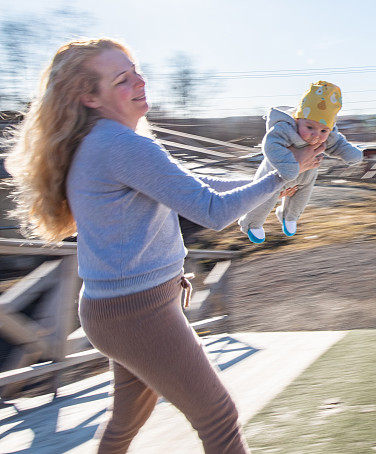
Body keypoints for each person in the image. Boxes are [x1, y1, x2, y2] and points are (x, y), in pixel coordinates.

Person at [4, 39, 324, 453]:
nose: (140, 80)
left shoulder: (106, 142)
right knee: (219, 418)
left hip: (118, 309)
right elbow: (211, 210)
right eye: (122, 79)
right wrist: (282, 176)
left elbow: (198, 188)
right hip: (137, 311)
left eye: (135, 69)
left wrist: (273, 186)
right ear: (89, 96)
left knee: (125, 422)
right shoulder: (121, 145)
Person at [238, 80, 362, 243]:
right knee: (265, 197)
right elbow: (271, 145)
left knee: (303, 195)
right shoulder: (285, 129)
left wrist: (352, 155)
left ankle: (289, 216)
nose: (316, 135)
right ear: (298, 119)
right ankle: (251, 222)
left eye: (323, 130)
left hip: (306, 176)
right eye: (309, 127)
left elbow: (338, 143)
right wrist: (290, 167)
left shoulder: (328, 134)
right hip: (276, 174)